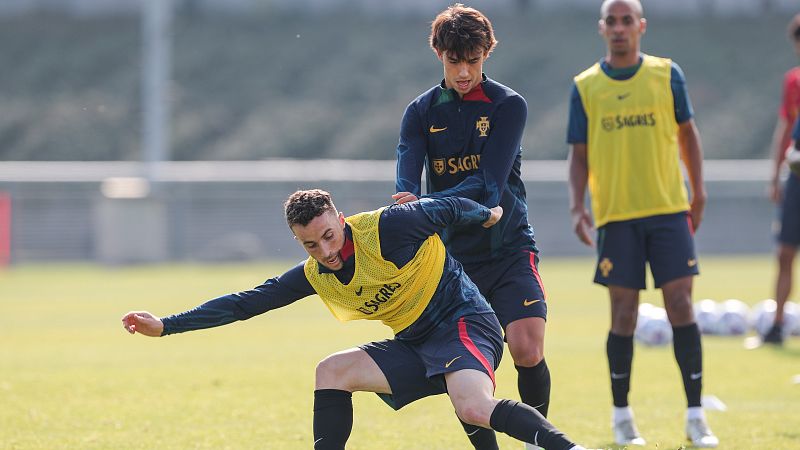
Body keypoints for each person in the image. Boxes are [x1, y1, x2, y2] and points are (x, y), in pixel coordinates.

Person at [122, 189, 590, 450]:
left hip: (464, 321)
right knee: (331, 370)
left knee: (471, 406)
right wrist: (167, 325)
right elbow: (248, 301)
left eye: (328, 235)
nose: (325, 251)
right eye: (310, 244)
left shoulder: (387, 228)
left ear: (341, 219)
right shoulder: (313, 272)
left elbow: (443, 208)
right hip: (415, 342)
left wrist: (485, 214)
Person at [394, 6, 550, 449]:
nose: (464, 72)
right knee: (468, 366)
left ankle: (539, 439)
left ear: (487, 54)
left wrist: (426, 203)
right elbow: (407, 165)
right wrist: (407, 196)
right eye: (454, 61)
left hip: (509, 246)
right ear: (438, 54)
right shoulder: (421, 111)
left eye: (473, 60)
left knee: (527, 348)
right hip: (455, 261)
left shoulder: (507, 105)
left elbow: (488, 185)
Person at [566, 0, 718, 447]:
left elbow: (688, 134)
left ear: (641, 27)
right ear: (601, 29)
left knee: (682, 307)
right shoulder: (586, 86)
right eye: (610, 21)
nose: (618, 28)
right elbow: (579, 155)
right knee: (624, 316)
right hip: (616, 217)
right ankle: (622, 416)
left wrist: (699, 190)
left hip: (669, 210)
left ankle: (695, 416)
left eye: (626, 20)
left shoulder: (667, 74)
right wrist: (578, 207)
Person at [765, 14, 800, 346]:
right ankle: (777, 326)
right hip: (797, 182)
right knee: (785, 252)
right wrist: (776, 175)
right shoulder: (793, 82)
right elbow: (785, 130)